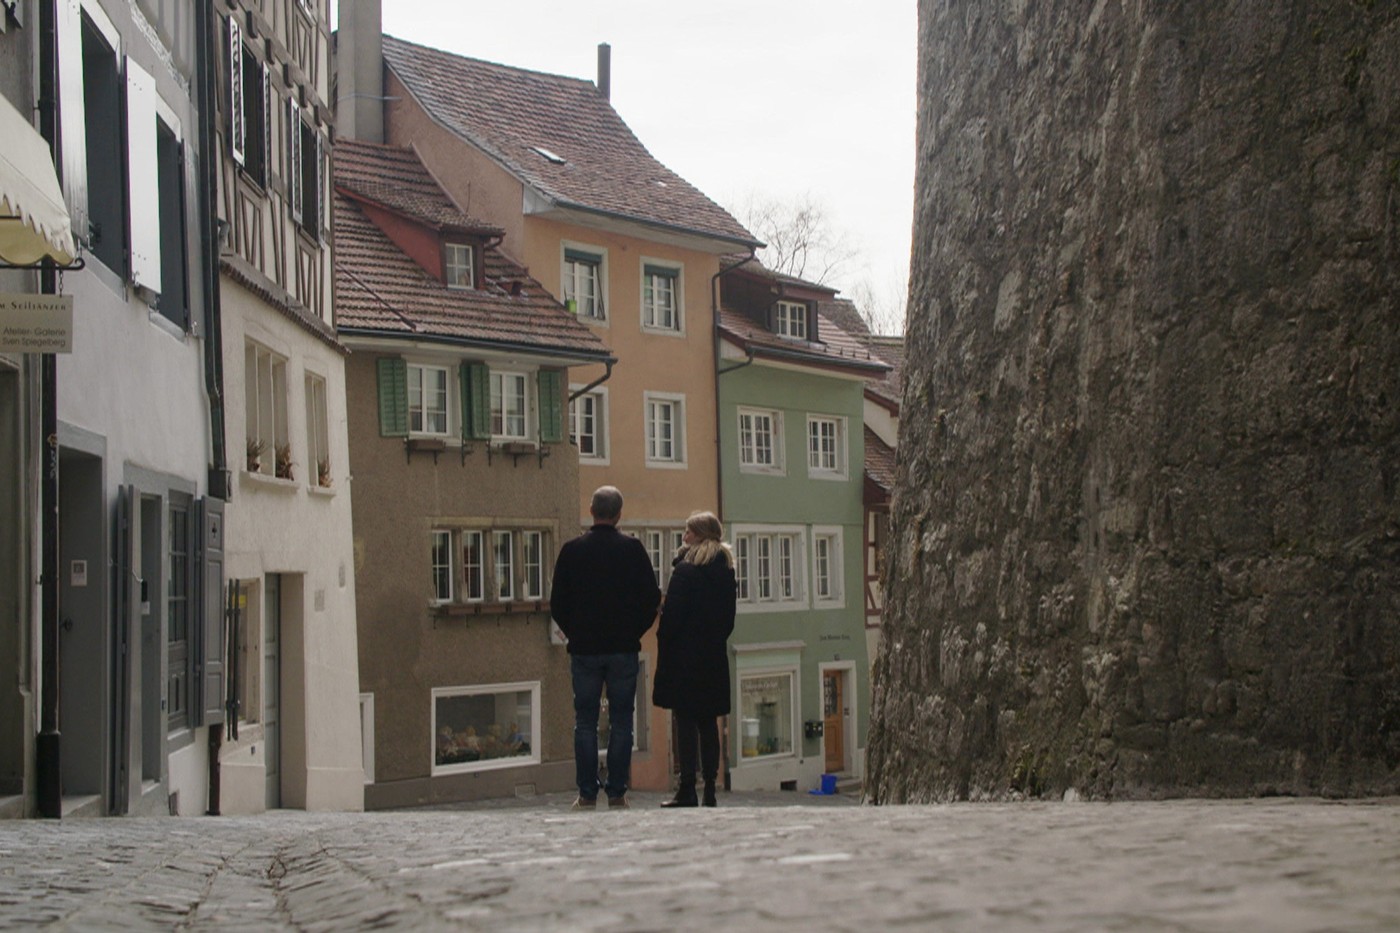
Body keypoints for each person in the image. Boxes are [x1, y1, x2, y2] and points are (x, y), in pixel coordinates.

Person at [551, 486, 662, 810]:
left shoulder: (572, 550)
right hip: (622, 649)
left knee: (584, 721)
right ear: (619, 514)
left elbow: (558, 602)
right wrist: (632, 631)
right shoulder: (633, 549)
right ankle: (616, 793)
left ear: (591, 509)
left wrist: (577, 632)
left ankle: (586, 793)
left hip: (584, 650)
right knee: (622, 721)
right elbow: (651, 599)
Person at [652, 511, 737, 808]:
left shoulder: (685, 572)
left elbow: (672, 618)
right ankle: (711, 789)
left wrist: (667, 637)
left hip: (685, 659)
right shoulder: (726, 572)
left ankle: (687, 787)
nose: (684, 536)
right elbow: (728, 621)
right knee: (708, 723)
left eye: (688, 532)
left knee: (685, 722)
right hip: (712, 658)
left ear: (699, 535)